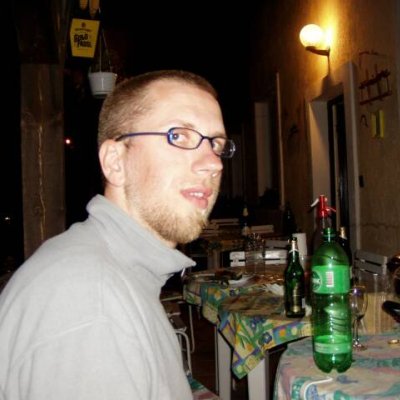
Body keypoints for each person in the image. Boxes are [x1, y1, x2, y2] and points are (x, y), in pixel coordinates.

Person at [0, 70, 235, 400]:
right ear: (115, 162)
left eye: (217, 144)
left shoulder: (116, 271)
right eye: (179, 136)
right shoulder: (89, 302)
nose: (213, 163)